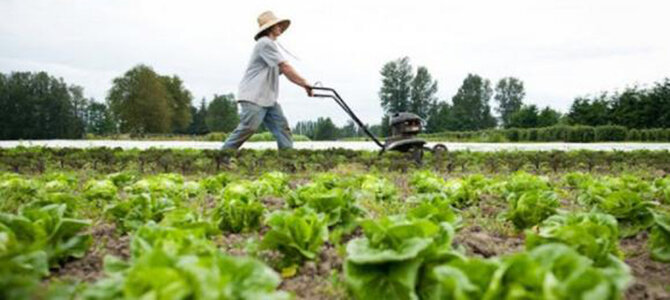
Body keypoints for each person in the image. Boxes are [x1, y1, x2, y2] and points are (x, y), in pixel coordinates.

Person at [222, 11, 312, 150]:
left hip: (268, 98)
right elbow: (285, 67)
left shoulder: (271, 46)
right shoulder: (265, 43)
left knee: (282, 128)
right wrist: (304, 83)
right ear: (270, 28)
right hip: (254, 96)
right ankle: (223, 156)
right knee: (248, 128)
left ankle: (288, 160)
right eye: (277, 25)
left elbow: (282, 70)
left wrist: (302, 83)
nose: (280, 27)